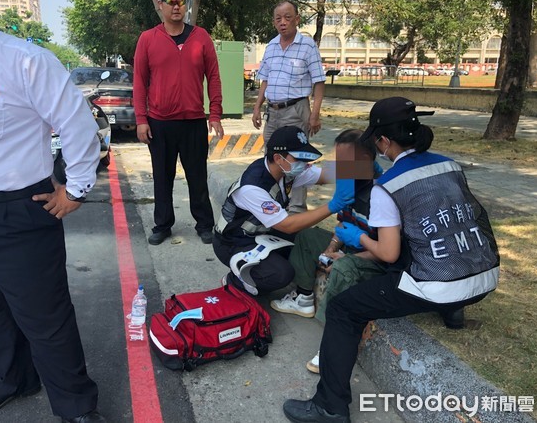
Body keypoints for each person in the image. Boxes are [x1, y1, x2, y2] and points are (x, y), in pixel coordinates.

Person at [0, 0, 106, 422]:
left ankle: (75, 406)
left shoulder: (24, 60)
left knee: (45, 320)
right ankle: (14, 377)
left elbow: (76, 125)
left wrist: (75, 190)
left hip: (16, 215)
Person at [282, 97, 500, 423]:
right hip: (483, 275)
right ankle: (452, 312)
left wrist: (359, 240)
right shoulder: (449, 165)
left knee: (344, 309)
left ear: (383, 142)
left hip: (436, 282)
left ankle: (329, 406)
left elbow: (388, 253)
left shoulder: (388, 185)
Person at [269, 129, 387, 374]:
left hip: (374, 258)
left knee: (344, 268)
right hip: (354, 249)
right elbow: (343, 226)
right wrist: (331, 247)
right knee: (306, 234)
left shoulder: (382, 196)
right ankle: (303, 299)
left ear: (365, 162)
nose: (338, 168)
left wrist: (346, 257)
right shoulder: (350, 185)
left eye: (345, 162)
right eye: (338, 160)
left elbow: (387, 252)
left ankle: (334, 345)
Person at [133, 0, 224, 246]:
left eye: (180, 1)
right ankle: (162, 225)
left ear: (186, 4)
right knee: (162, 177)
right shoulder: (148, 39)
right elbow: (139, 81)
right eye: (170, 2)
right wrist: (141, 119)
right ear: (160, 5)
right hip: (159, 123)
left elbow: (214, 77)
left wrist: (215, 113)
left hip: (194, 122)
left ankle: (204, 224)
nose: (176, 7)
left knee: (197, 176)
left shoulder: (201, 37)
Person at [213, 126, 353, 296]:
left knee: (307, 243)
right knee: (281, 274)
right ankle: (235, 281)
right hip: (234, 242)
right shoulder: (253, 187)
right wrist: (333, 205)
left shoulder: (287, 170)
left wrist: (365, 168)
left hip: (264, 232)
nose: (305, 164)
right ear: (278, 158)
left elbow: (326, 175)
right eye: (299, 158)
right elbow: (287, 226)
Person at [252, 0, 326, 214]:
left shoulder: (307, 46)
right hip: (272, 112)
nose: (282, 22)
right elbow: (264, 80)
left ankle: (296, 208)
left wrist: (315, 114)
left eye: (287, 17)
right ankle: (273, 201)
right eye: (278, 18)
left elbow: (318, 82)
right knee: (271, 156)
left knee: (296, 159)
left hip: (296, 110)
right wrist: (257, 107)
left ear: (297, 19)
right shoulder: (272, 46)